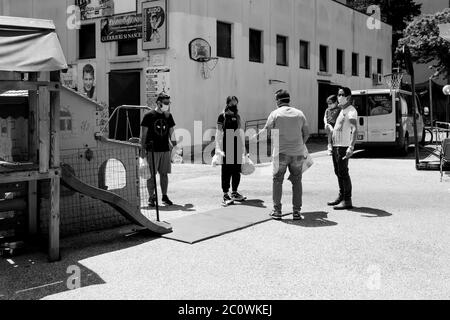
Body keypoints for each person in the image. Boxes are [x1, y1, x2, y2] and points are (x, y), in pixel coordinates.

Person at [253, 90, 310, 221]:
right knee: (297, 181)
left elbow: (266, 131)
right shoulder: (300, 113)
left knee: (277, 180)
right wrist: (300, 145)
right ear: (289, 100)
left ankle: (277, 211)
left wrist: (254, 138)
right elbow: (306, 133)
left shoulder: (275, 114)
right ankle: (296, 212)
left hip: (281, 153)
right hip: (297, 153)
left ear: (278, 101)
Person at [140, 93, 176, 207]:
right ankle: (151, 197)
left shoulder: (168, 116)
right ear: (159, 102)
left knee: (164, 174)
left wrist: (175, 145)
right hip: (152, 150)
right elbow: (144, 135)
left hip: (165, 149)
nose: (167, 105)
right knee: (151, 175)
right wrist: (142, 149)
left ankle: (164, 196)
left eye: (168, 103)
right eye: (165, 103)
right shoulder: (148, 116)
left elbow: (171, 132)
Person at [328, 87, 358, 210]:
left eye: (341, 94)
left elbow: (354, 129)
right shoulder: (342, 110)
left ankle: (347, 200)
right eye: (338, 94)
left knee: (343, 173)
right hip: (336, 146)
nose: (338, 97)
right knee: (338, 172)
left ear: (348, 97)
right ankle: (341, 196)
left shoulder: (351, 111)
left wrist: (351, 147)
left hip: (343, 146)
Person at [215, 96, 247, 206]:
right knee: (226, 171)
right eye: (232, 103)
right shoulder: (222, 116)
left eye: (236, 103)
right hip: (226, 144)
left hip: (236, 144)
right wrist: (218, 148)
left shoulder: (237, 116)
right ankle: (225, 194)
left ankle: (234, 193)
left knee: (236, 170)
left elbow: (239, 132)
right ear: (228, 103)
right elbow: (218, 133)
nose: (235, 105)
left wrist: (244, 148)